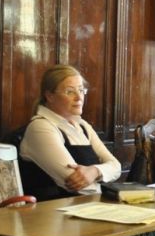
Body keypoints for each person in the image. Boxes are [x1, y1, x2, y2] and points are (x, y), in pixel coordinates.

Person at [19, 64, 121, 200]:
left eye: (81, 90)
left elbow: (116, 167)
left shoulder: (83, 126)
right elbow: (76, 184)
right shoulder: (40, 127)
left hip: (88, 205)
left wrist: (95, 171)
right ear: (50, 96)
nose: (79, 97)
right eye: (70, 91)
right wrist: (105, 177)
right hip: (51, 209)